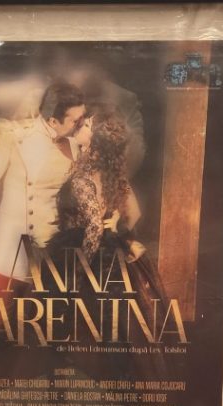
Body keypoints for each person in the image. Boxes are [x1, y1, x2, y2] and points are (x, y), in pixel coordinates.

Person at [0, 82, 86, 371]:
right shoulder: (12, 136)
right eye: (75, 120)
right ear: (53, 120)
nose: (81, 124)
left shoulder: (75, 146)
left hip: (53, 248)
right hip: (13, 245)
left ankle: (53, 387)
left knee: (54, 325)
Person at [48, 109, 170, 380]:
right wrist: (115, 226)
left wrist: (78, 272)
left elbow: (93, 227)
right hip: (107, 255)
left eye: (87, 125)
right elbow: (134, 214)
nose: (81, 125)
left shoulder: (84, 176)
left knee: (81, 329)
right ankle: (116, 387)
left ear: (96, 139)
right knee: (111, 331)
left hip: (85, 254)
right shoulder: (109, 171)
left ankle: (77, 384)